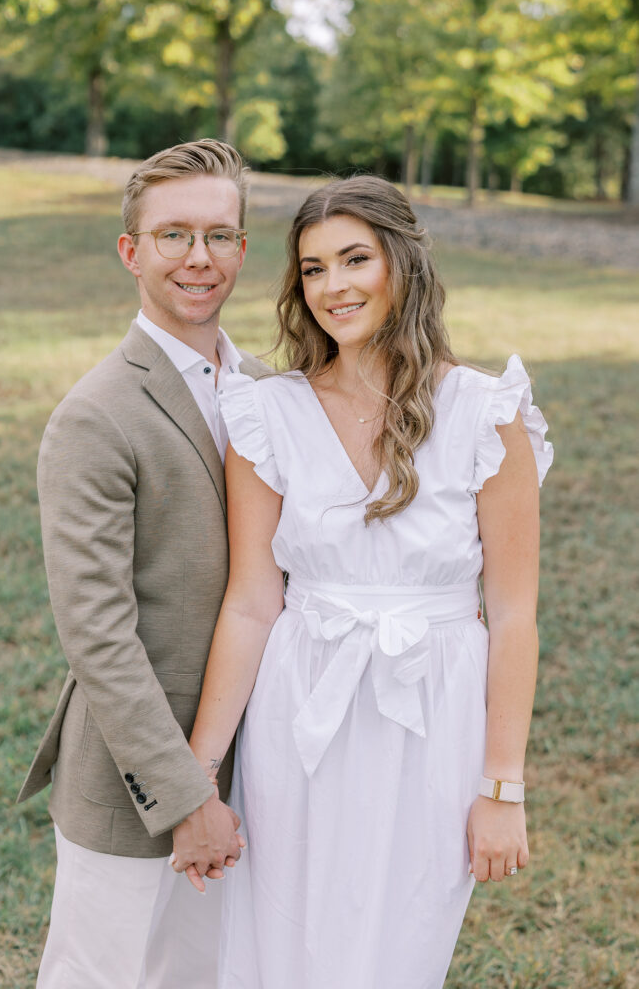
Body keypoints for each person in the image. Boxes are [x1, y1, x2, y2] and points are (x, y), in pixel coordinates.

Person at [184, 175, 553, 988]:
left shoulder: (487, 415)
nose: (333, 287)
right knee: (278, 943)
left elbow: (515, 614)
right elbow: (251, 602)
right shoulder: (265, 415)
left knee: (395, 953)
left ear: (403, 264)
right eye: (312, 269)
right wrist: (196, 774)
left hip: (432, 713)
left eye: (355, 259)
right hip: (299, 706)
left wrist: (502, 787)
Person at [17, 139, 270, 989]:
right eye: (173, 236)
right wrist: (184, 798)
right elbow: (98, 637)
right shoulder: (95, 416)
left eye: (220, 236)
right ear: (131, 251)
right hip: (139, 787)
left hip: (259, 765)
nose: (199, 259)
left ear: (242, 247)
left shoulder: (269, 391)